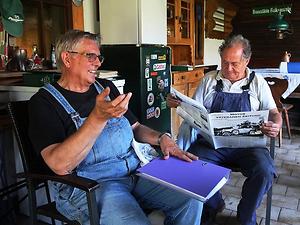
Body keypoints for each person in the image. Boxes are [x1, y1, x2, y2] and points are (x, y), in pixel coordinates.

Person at [28, 30, 203, 225]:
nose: (98, 62)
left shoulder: (105, 87)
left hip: (135, 172)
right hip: (93, 185)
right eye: (90, 56)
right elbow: (59, 165)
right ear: (67, 59)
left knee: (191, 198)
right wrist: (96, 119)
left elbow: (136, 127)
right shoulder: (44, 103)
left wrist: (162, 138)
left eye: (98, 56)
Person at [167, 34, 282, 225]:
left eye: (234, 64)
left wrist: (276, 125)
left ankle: (245, 215)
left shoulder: (258, 83)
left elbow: (274, 113)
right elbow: (194, 110)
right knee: (190, 166)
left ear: (247, 60)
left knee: (265, 170)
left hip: (249, 147)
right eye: (224, 62)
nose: (228, 69)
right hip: (212, 145)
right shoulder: (209, 80)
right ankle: (213, 205)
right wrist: (177, 104)